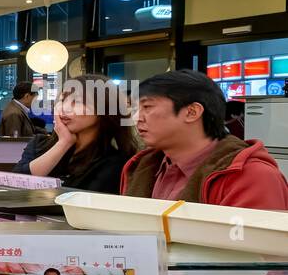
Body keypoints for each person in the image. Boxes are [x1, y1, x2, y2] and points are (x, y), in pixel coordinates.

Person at [121, 69, 288, 210]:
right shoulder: (140, 167)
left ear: (192, 112)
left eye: (147, 107)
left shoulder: (252, 176)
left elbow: (252, 246)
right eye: (135, 108)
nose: (136, 117)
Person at [13, 74, 139, 193]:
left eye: (77, 102)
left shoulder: (114, 162)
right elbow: (15, 185)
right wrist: (63, 144)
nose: (65, 108)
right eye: (62, 100)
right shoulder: (39, 143)